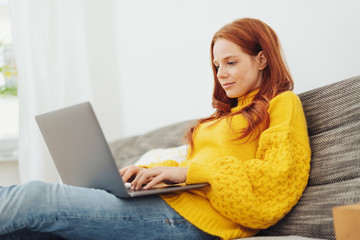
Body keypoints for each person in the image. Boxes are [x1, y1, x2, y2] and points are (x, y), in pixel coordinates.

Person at [0, 18, 311, 240]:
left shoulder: (282, 104)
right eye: (217, 65)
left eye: (231, 62)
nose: (221, 74)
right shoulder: (222, 116)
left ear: (262, 59)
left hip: (199, 223)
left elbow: (275, 183)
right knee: (27, 230)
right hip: (172, 204)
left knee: (35, 196)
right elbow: (196, 171)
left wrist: (186, 173)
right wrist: (153, 171)